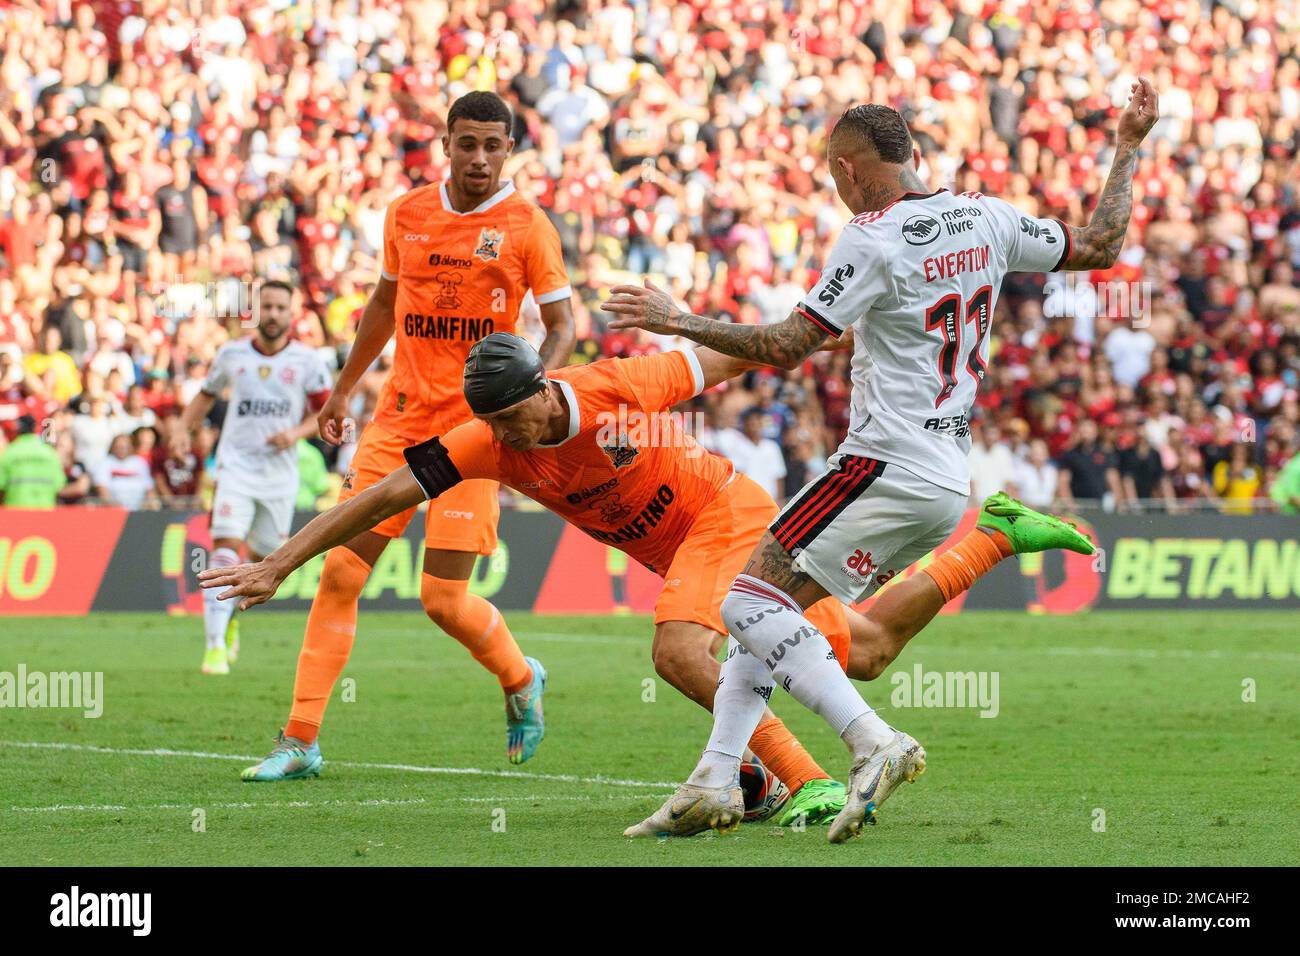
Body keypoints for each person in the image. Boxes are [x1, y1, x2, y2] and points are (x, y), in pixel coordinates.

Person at [603, 81, 1157, 840]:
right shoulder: (985, 215)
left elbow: (783, 346)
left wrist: (675, 319)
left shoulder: (872, 235)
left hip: (881, 461)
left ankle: (872, 741)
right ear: (915, 157)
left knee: (744, 603)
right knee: (770, 611)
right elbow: (1102, 245)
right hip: (941, 474)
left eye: (834, 175)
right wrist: (1126, 145)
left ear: (848, 169)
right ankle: (715, 779)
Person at [203, 334, 979, 827]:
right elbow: (379, 495)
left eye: (517, 419)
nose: (510, 440)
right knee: (866, 648)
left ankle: (802, 780)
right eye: (496, 428)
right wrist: (278, 564)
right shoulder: (487, 443)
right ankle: (995, 538)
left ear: (544, 388)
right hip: (680, 556)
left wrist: (832, 328)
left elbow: (737, 356)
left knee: (677, 653)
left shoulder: (618, 385)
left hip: (727, 514)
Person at [248, 91, 576, 775]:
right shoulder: (408, 213)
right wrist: (341, 387)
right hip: (397, 418)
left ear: (509, 149)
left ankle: (520, 677)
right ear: (447, 144)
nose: (479, 157)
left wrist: (533, 401)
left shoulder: (527, 226)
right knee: (340, 569)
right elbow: (385, 303)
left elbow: (565, 323)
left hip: (475, 433)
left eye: (492, 145)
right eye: (467, 143)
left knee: (442, 600)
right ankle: (300, 740)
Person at [174, 280, 332, 676]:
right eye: (268, 306)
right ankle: (213, 647)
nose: (274, 314)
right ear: (257, 311)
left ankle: (229, 621)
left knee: (265, 562)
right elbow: (206, 395)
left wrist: (294, 434)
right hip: (235, 468)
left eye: (282, 307)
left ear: (291, 312)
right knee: (225, 548)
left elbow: (326, 414)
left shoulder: (308, 362)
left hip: (279, 475)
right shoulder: (231, 354)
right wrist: (181, 429)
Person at [0, 414, 65, 508]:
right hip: (45, 511)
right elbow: (59, 484)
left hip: (15, 511)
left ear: (17, 429)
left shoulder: (8, 453)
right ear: (34, 428)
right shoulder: (49, 453)